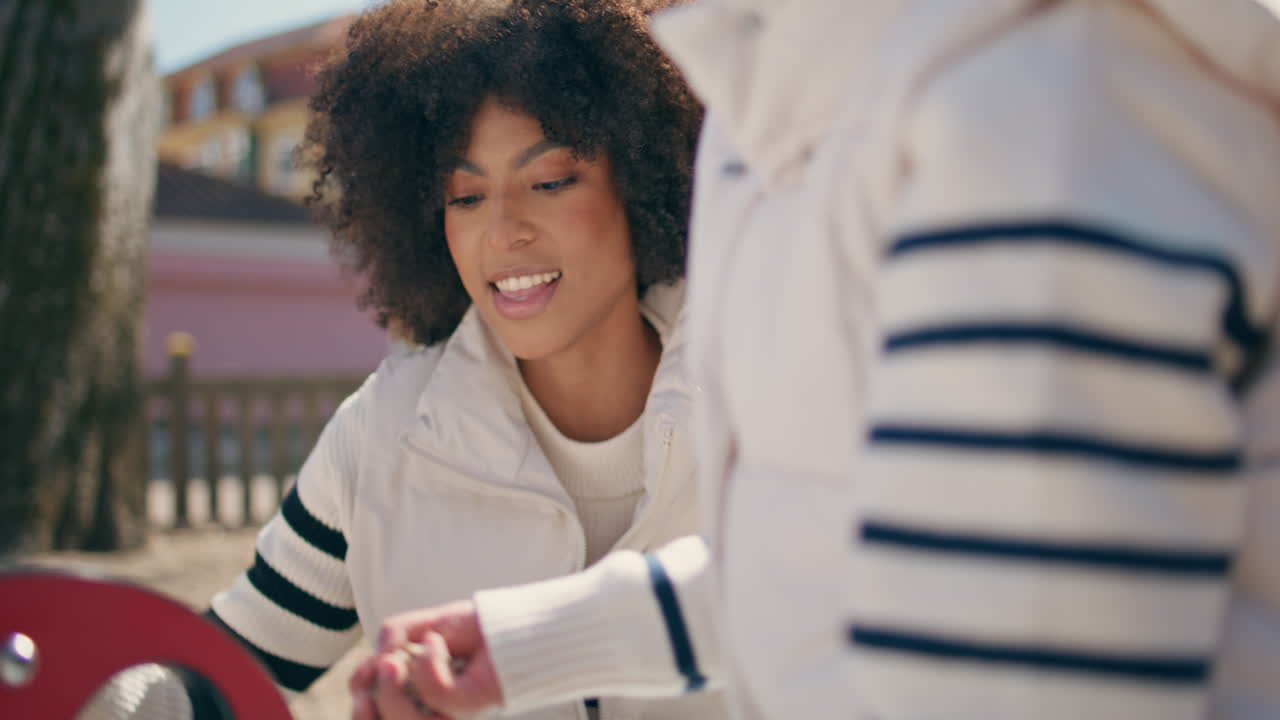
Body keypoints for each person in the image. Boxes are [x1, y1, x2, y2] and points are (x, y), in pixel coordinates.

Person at [361, 0, 1280, 719]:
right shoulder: (762, 115)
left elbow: (1014, 681)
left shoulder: (1031, 97)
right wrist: (529, 644)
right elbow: (842, 552)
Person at [80, 2, 715, 720]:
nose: (501, 230)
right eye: (466, 195)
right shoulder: (381, 437)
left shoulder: (766, 410)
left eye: (550, 181)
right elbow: (221, 676)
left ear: (643, 182)